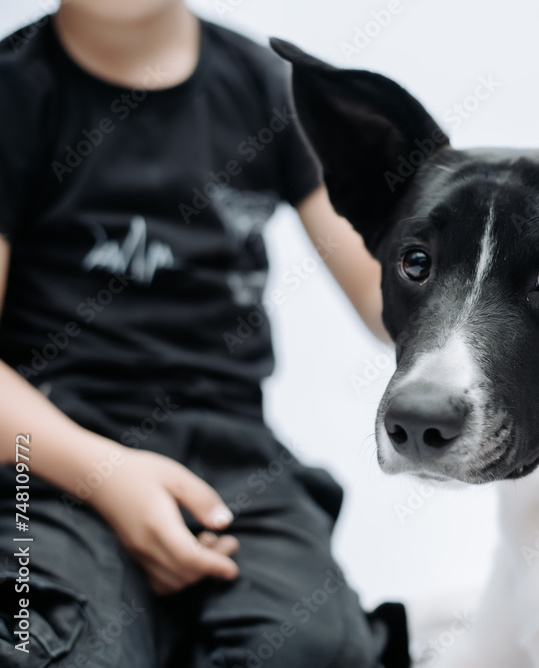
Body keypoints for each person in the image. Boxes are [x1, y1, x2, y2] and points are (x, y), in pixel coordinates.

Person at [0, 1, 408, 666]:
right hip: (45, 455)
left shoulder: (265, 84)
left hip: (233, 457)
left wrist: (498, 234)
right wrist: (106, 478)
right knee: (47, 642)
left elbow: (388, 297)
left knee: (318, 649)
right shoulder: (15, 90)